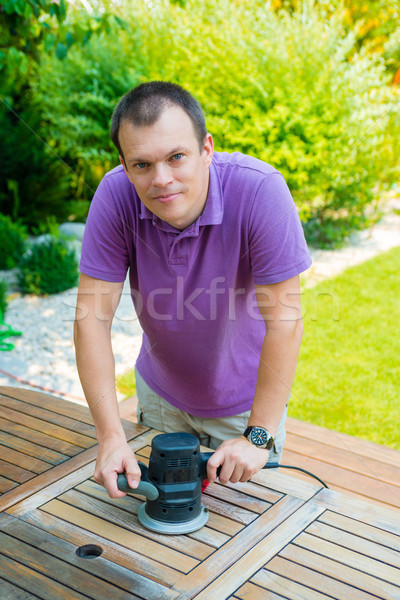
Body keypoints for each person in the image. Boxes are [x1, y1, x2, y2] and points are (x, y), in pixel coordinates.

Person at [74, 81, 312, 499]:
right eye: (142, 165)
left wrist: (258, 436)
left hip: (246, 408)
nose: (162, 180)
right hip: (161, 398)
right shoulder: (115, 195)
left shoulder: (260, 190)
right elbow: (91, 320)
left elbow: (286, 322)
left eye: (176, 157)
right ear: (125, 166)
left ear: (206, 150)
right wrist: (110, 436)